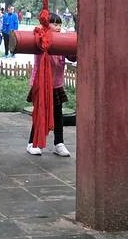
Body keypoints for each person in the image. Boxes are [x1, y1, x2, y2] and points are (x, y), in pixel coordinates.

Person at [26, 12, 72, 157]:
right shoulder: (42, 38)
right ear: (47, 25)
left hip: (57, 84)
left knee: (58, 114)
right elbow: (37, 34)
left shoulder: (62, 40)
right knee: (40, 113)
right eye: (54, 24)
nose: (58, 27)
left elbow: (72, 56)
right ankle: (32, 143)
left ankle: (59, 143)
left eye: (60, 24)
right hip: (41, 83)